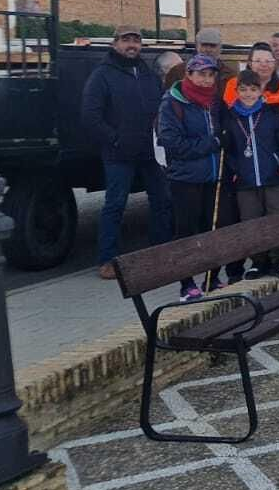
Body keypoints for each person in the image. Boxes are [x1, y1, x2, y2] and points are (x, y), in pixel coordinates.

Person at [81, 25, 172, 277]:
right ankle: (107, 259)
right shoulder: (102, 75)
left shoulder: (147, 73)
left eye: (135, 40)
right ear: (115, 44)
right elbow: (90, 116)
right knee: (115, 205)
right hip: (119, 154)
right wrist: (116, 140)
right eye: (126, 40)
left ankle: (161, 253)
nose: (131, 45)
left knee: (162, 201)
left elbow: (162, 107)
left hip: (150, 152)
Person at [158, 55, 226, 301]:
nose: (206, 79)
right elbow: (173, 143)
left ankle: (212, 276)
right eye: (201, 74)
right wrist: (213, 143)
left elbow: (224, 131)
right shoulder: (173, 103)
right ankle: (186, 283)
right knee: (185, 231)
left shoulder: (215, 102)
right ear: (189, 74)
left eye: (210, 75)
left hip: (212, 176)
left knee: (212, 228)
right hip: (185, 178)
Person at [220, 68, 279, 282]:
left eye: (253, 89)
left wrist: (278, 162)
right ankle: (258, 261)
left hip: (273, 177)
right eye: (243, 90)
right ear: (237, 91)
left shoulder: (271, 115)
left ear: (261, 91)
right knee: (251, 221)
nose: (248, 94)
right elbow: (229, 150)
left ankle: (277, 259)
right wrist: (236, 169)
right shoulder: (232, 118)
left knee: (276, 219)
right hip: (245, 181)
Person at [224, 43, 279, 118]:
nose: (264, 65)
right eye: (258, 61)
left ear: (275, 64)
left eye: (268, 61)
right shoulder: (234, 83)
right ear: (250, 64)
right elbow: (230, 111)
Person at [194, 29, 235, 97]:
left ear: (220, 48)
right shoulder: (180, 70)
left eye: (213, 46)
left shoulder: (229, 76)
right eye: (204, 45)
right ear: (197, 46)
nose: (208, 50)